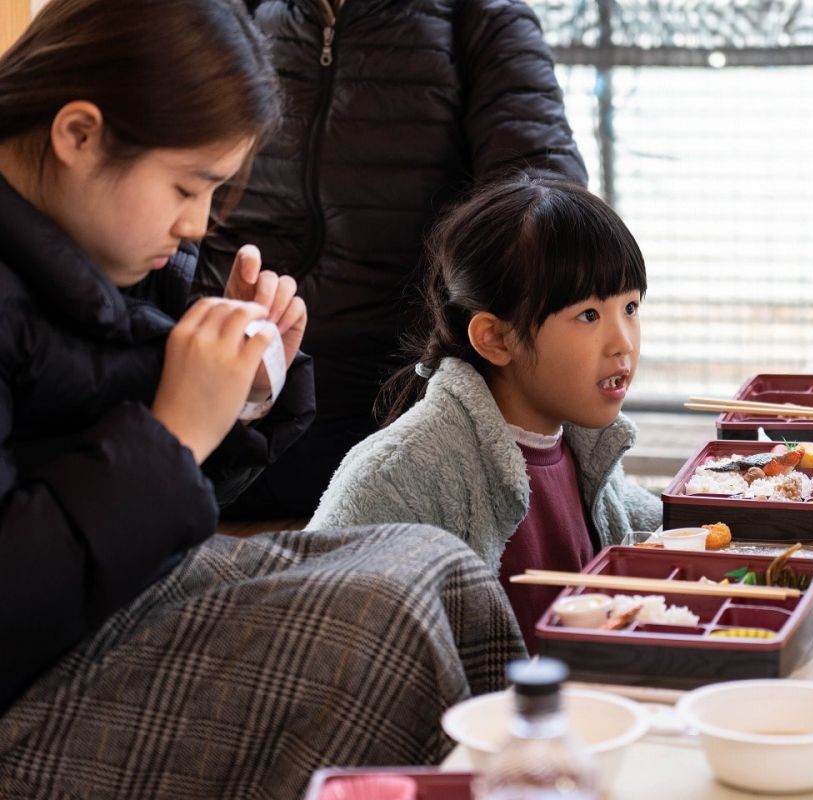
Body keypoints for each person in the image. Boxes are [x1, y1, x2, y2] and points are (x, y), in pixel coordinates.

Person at [0, 2, 522, 797]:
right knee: (374, 634)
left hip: (102, 604)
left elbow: (129, 504)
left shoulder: (93, 253)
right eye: (187, 186)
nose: (196, 226)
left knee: (437, 566)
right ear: (79, 134)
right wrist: (174, 430)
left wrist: (241, 396)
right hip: (27, 684)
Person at [195, 0, 589, 518]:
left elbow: (544, 208)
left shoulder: (482, 17)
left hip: (398, 403)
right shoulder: (234, 14)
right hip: (234, 395)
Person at [308, 176, 663, 649]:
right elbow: (321, 633)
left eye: (631, 307)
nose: (623, 342)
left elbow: (652, 524)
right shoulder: (396, 475)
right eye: (589, 315)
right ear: (496, 338)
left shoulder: (581, 445)